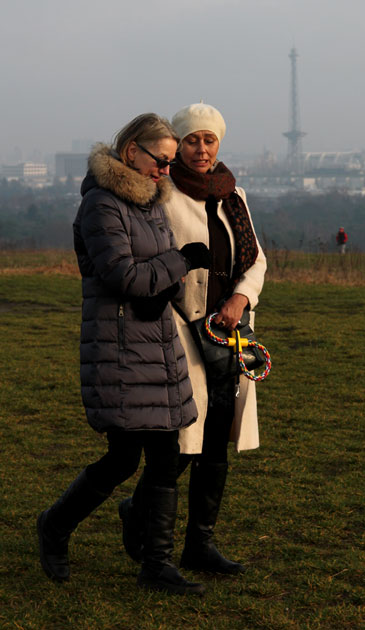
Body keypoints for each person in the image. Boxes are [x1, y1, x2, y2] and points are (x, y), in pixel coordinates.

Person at [37, 113, 212, 595]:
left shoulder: (154, 200)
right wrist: (182, 261)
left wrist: (195, 313)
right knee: (122, 459)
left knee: (161, 455)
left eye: (170, 163)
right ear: (132, 151)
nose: (165, 170)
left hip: (156, 342)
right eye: (161, 160)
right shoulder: (100, 204)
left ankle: (156, 565)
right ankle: (54, 525)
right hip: (117, 347)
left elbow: (156, 273)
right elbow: (125, 276)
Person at [119, 103, 267, 576]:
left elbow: (256, 261)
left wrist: (241, 300)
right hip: (180, 328)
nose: (201, 149)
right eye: (191, 141)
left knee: (218, 441)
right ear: (177, 145)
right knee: (186, 442)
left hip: (231, 334)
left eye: (209, 140)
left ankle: (200, 544)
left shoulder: (233, 195)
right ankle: (139, 514)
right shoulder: (160, 194)